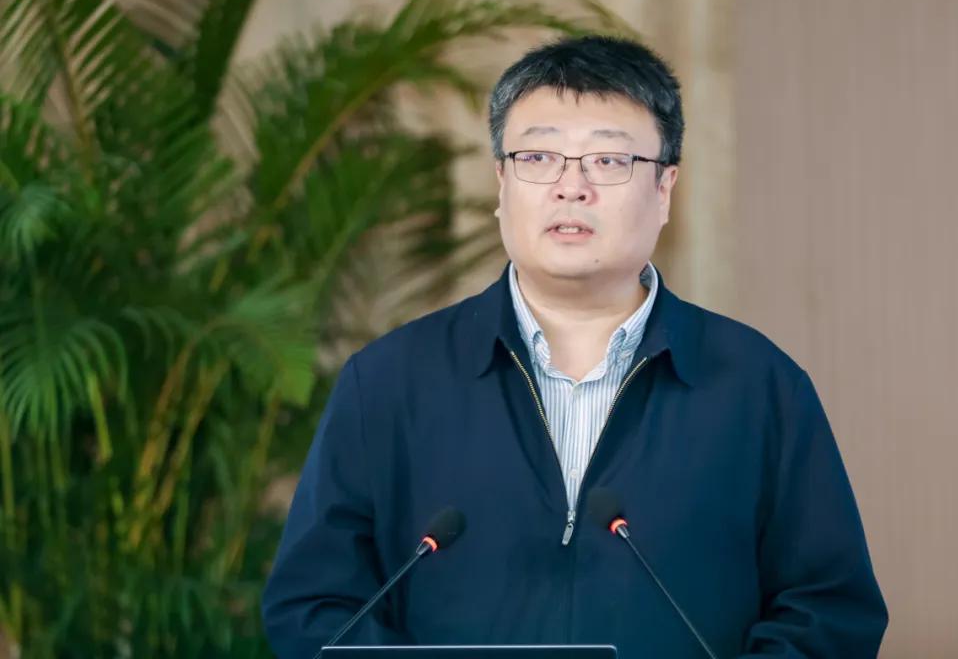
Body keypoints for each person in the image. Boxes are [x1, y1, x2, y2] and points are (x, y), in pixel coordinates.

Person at [262, 35, 887, 658]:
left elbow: (828, 610)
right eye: (538, 157)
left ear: (664, 189)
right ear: (502, 182)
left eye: (608, 161)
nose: (571, 187)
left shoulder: (757, 385)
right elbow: (314, 606)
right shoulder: (389, 381)